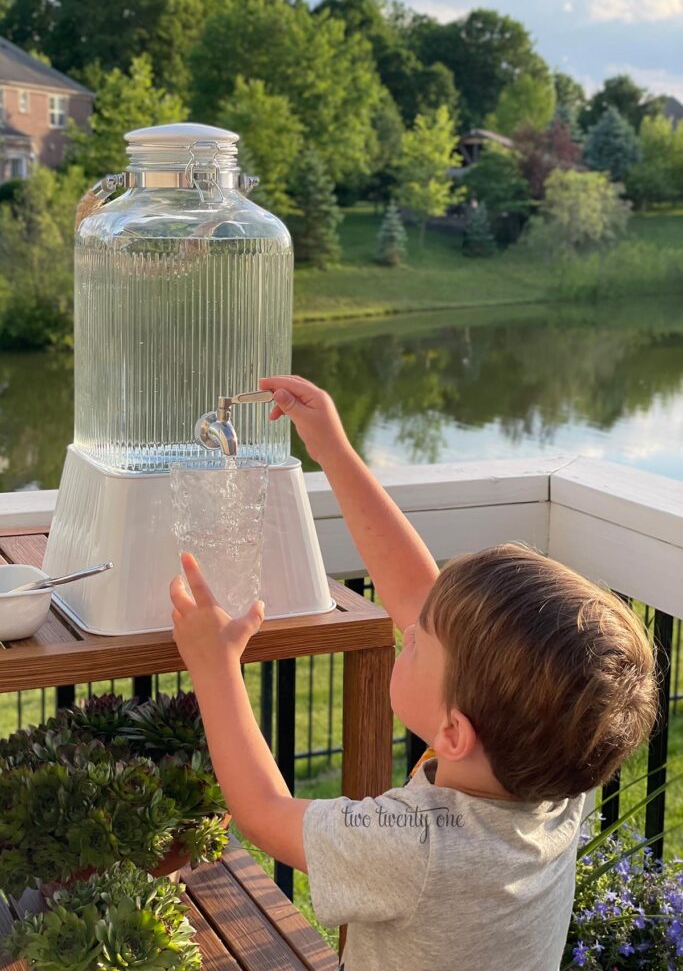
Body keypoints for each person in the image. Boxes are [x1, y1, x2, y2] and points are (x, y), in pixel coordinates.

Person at [169, 375, 658, 971]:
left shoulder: (416, 848)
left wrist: (215, 664)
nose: (408, 630)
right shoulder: (553, 781)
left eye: (417, 643)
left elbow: (265, 814)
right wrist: (333, 452)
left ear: (453, 733)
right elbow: (418, 594)